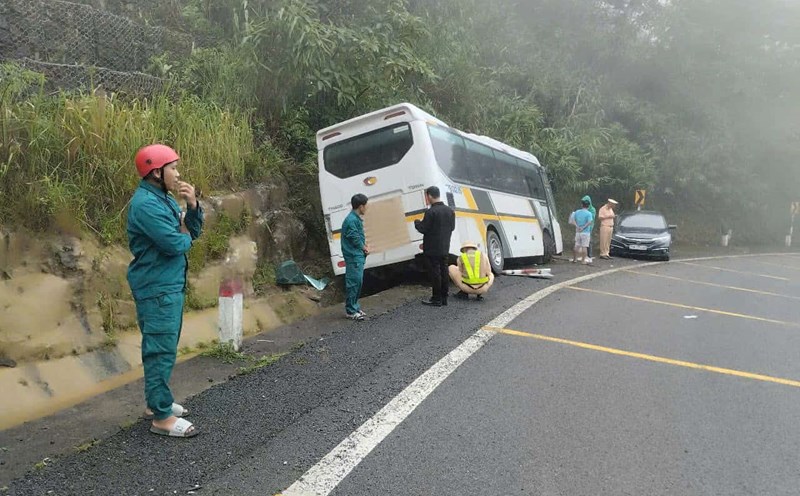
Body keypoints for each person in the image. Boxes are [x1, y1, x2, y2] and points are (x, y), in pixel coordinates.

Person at [127, 144, 203, 438]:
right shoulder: (145, 205)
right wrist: (184, 233)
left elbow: (190, 232)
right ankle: (161, 418)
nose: (178, 173)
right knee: (159, 349)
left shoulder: (164, 199)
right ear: (156, 172)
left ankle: (155, 403)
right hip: (157, 286)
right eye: (173, 168)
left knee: (164, 348)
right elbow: (176, 244)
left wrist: (193, 207)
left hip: (167, 283)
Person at [414, 186, 455, 306]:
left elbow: (423, 228)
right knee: (444, 270)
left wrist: (416, 222)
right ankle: (444, 297)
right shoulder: (449, 211)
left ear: (429, 196)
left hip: (432, 249)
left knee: (435, 272)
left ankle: (436, 298)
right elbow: (452, 227)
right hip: (445, 246)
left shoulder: (431, 212)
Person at [341, 193, 370, 320]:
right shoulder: (351, 220)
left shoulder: (354, 218)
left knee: (358, 282)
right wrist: (364, 247)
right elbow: (354, 237)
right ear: (361, 206)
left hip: (357, 256)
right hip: (353, 256)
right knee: (353, 283)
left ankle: (355, 307)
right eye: (365, 206)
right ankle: (351, 310)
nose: (366, 208)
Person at [571, 199, 593, 264]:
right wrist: (583, 227)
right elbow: (589, 222)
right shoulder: (589, 213)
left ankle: (575, 259)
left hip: (578, 232)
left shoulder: (577, 212)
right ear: (588, 206)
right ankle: (583, 261)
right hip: (585, 232)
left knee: (576, 245)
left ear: (581, 205)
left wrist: (577, 226)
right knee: (584, 246)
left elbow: (572, 220)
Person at [582, 195, 596, 262]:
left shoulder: (592, 209)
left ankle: (589, 255)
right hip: (583, 228)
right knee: (583, 242)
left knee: (589, 242)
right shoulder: (583, 209)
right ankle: (584, 255)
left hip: (589, 227)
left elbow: (591, 219)